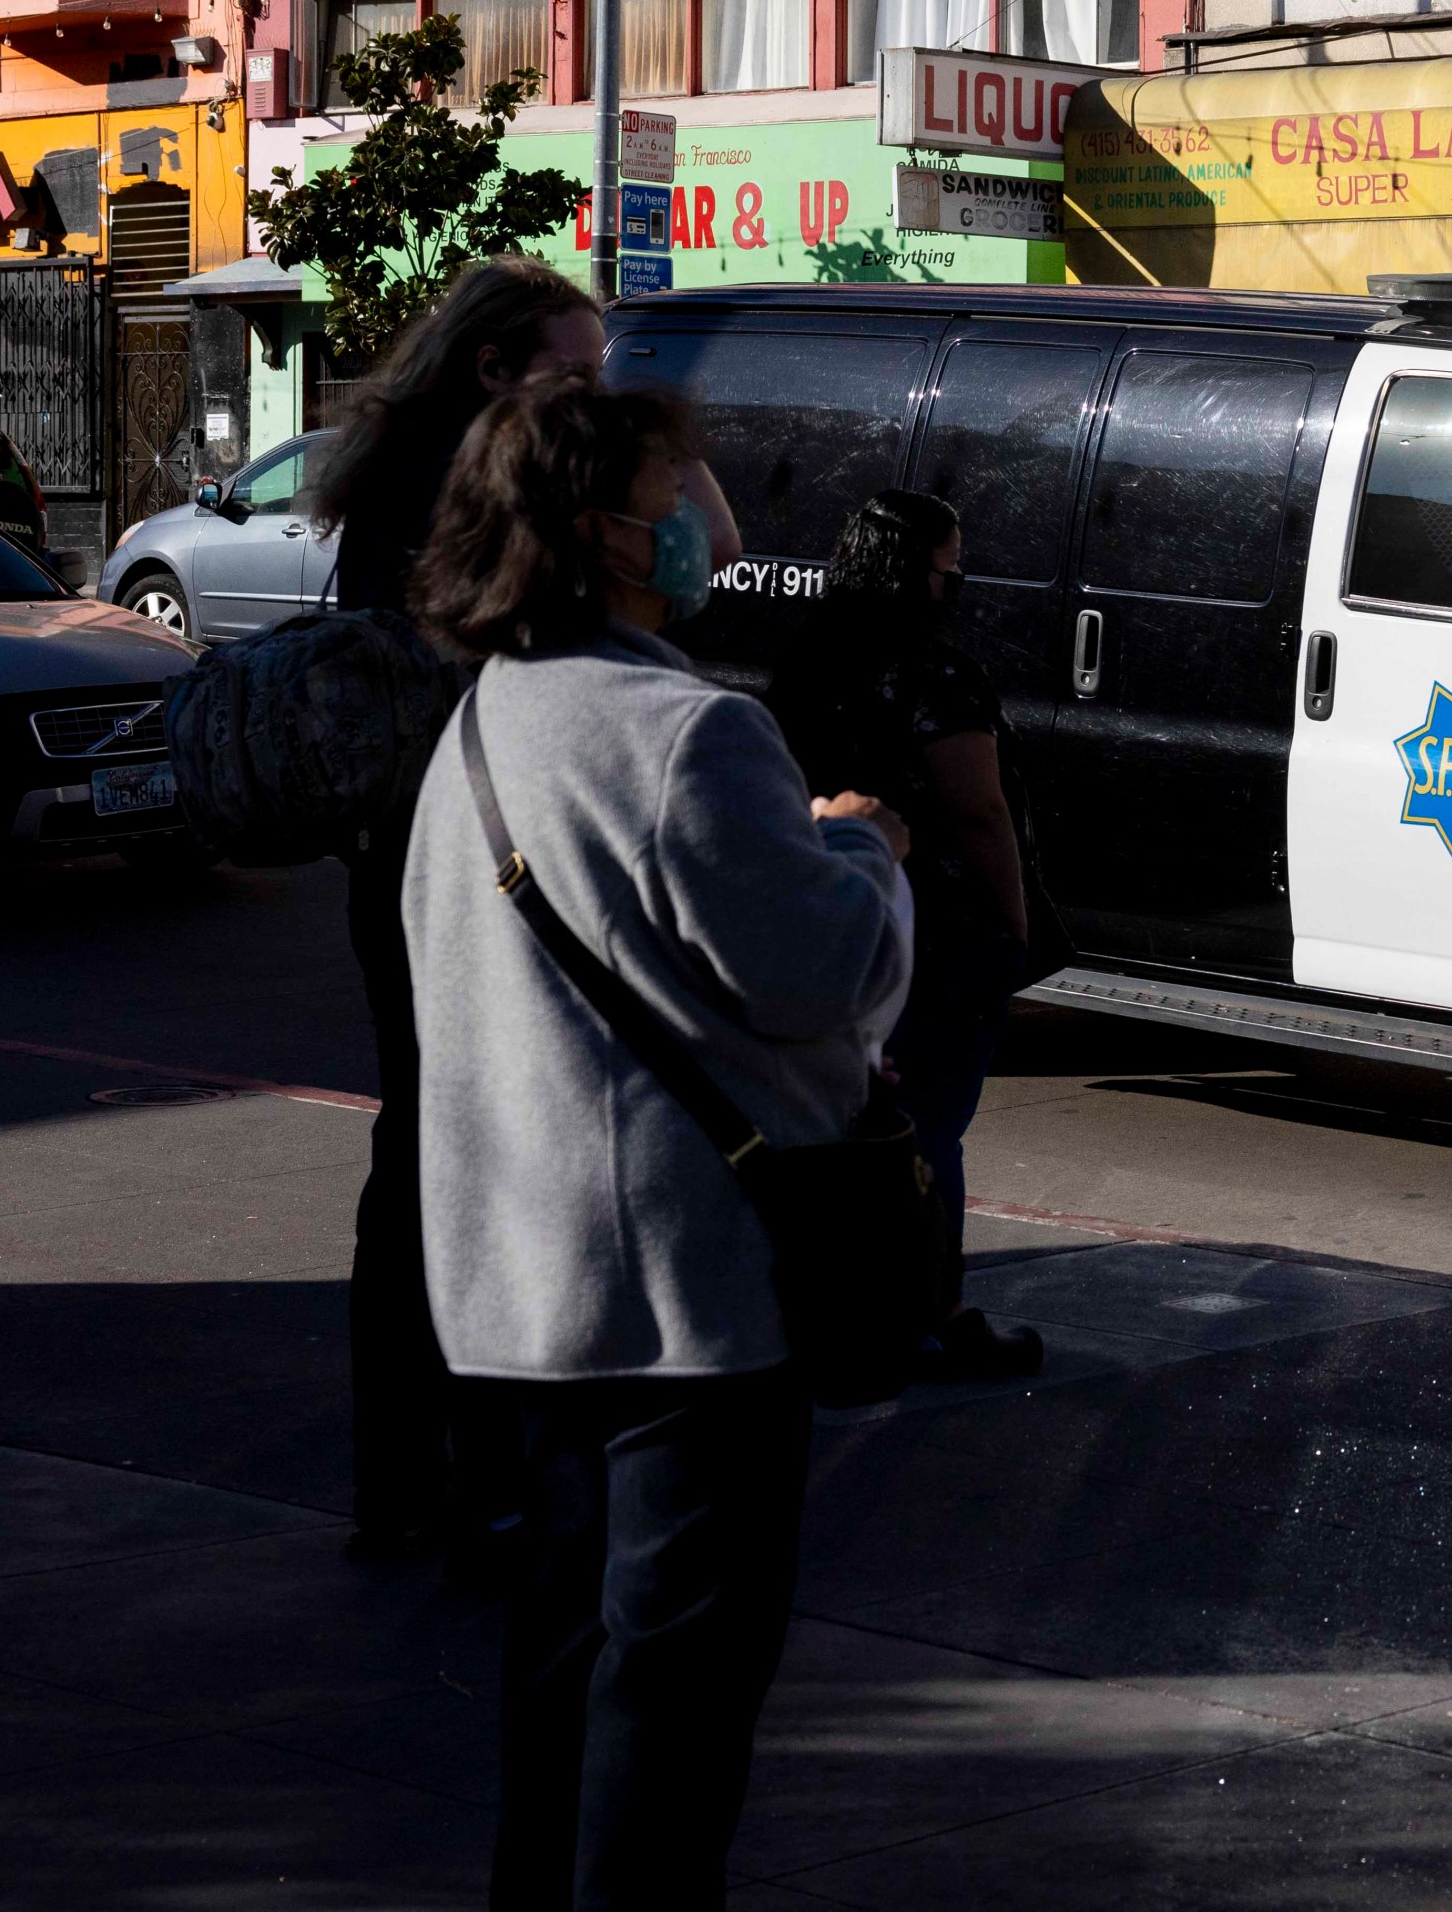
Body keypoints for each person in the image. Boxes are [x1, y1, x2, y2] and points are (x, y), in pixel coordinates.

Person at [403, 376, 910, 1911]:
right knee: (674, 1695)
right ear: (601, 529)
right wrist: (867, 854)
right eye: (679, 482)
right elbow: (818, 972)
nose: (708, 513)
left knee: (566, 1665)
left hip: (518, 1287)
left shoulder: (486, 721)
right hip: (689, 1305)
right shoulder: (689, 732)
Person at [309, 256, 739, 1561]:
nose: (597, 399)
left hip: (458, 833)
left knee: (462, 1145)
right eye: (573, 372)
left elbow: (709, 548)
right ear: (494, 371)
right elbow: (690, 565)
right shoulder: (463, 484)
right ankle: (438, 1467)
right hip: (469, 838)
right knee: (453, 1152)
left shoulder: (462, 459)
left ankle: (452, 1462)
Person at [779, 490, 1044, 1382]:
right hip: (940, 935)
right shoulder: (934, 676)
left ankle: (831, 1307)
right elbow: (978, 812)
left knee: (835, 1125)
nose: (958, 579)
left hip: (825, 918)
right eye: (950, 564)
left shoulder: (806, 659)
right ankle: (933, 1314)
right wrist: (1015, 925)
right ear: (916, 571)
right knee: (927, 1132)